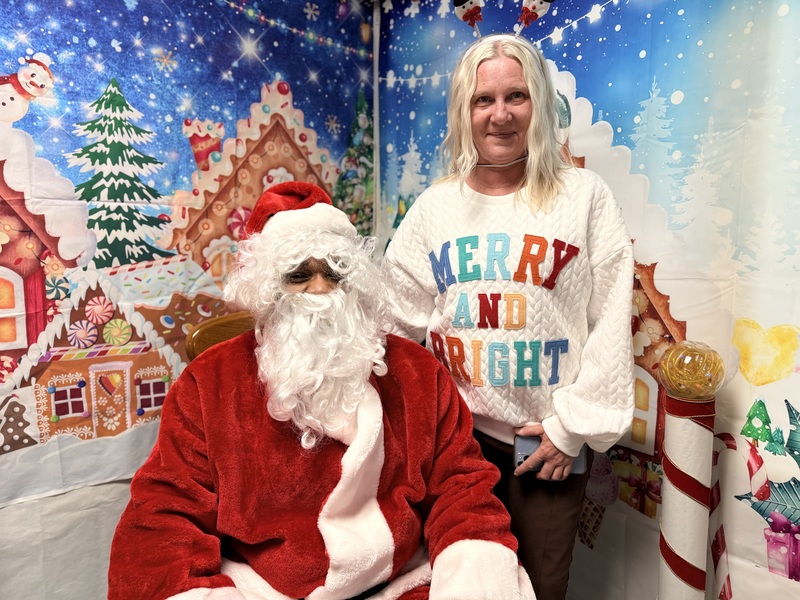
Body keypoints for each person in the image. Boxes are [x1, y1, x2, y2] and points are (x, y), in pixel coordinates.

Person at [107, 181, 535, 600]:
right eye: (298, 275)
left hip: (397, 578)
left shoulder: (417, 372)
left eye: (335, 273)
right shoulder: (210, 383)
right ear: (268, 289)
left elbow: (462, 487)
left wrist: (471, 573)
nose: (319, 289)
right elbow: (165, 513)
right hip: (263, 586)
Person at [380, 34, 635, 600]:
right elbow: (396, 323)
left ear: (538, 103)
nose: (499, 115)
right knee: (455, 584)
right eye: (482, 100)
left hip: (543, 452)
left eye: (515, 96)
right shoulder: (435, 207)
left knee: (541, 587)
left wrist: (571, 429)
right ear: (464, 112)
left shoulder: (584, 198)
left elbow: (612, 320)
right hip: (455, 449)